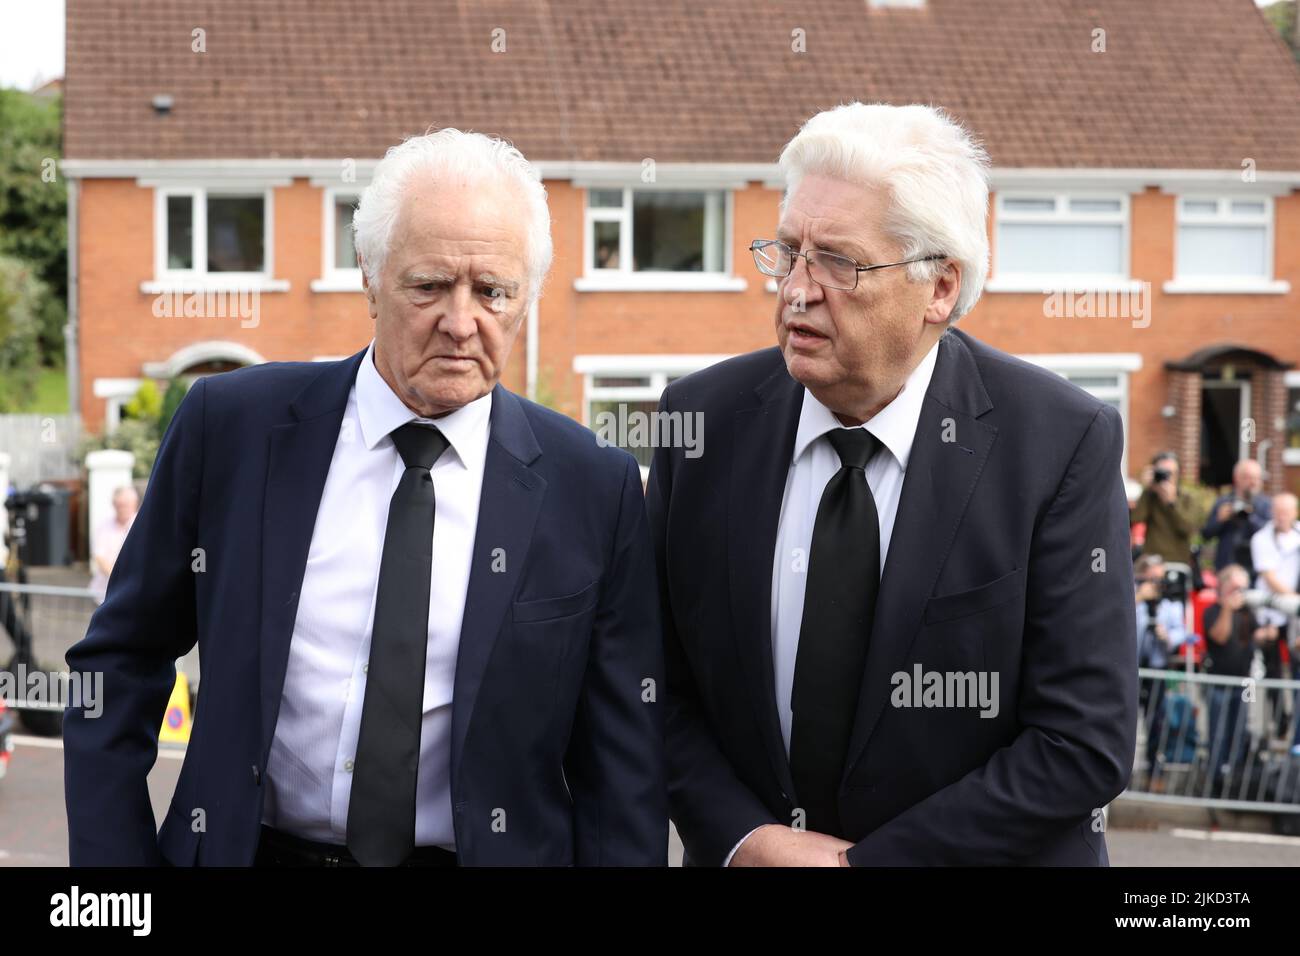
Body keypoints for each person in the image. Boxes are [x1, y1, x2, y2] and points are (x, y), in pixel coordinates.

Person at [63, 130, 666, 867]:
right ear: (369, 278)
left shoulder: (593, 486)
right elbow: (118, 662)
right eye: (428, 285)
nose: (460, 320)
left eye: (492, 291)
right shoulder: (232, 429)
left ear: (527, 298)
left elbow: (622, 767)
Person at [647, 102, 1136, 866]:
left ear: (939, 288)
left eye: (838, 262)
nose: (797, 291)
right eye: (786, 252)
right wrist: (745, 839)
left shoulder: (1059, 442)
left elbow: (1081, 741)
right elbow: (655, 686)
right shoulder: (701, 423)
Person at [1202, 565, 1271, 791]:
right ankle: (1215, 783)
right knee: (1218, 735)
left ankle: (1234, 779)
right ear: (1224, 586)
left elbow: (1256, 636)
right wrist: (1227, 609)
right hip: (1219, 683)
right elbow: (1219, 637)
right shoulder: (1213, 611)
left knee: (1240, 732)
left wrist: (1267, 633)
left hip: (1245, 683)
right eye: (1236, 587)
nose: (1240, 592)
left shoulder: (1246, 612)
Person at [1250, 492, 1300, 738]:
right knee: (1273, 672)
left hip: (1295, 617)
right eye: (1278, 511)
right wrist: (1295, 600)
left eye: (1287, 512)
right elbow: (1269, 577)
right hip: (1271, 612)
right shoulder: (1261, 538)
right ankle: (1279, 723)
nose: (1282, 517)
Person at [1133, 554, 1188, 777]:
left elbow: (1181, 632)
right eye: (1152, 579)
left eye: (1160, 578)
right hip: (1132, 668)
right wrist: (1138, 598)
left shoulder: (1170, 603)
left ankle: (1154, 769)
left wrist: (1168, 636)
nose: (1157, 584)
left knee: (1156, 719)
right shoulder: (1132, 598)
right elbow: (1119, 622)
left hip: (1156, 666)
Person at [1130, 451, 1199, 568]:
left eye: (1171, 473)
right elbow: (1136, 518)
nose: (1167, 478)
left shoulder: (1187, 498)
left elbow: (1187, 529)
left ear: (1178, 475)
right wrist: (1146, 489)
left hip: (1177, 562)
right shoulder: (1150, 496)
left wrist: (1171, 503)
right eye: (1162, 473)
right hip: (1152, 563)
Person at [1201, 459, 1271, 575]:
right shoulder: (1224, 502)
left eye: (1257, 478)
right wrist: (1219, 519)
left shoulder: (1266, 504)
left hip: (1256, 568)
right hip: (1227, 566)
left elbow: (1270, 534)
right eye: (1248, 477)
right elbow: (1206, 534)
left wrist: (1250, 516)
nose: (1253, 482)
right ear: (1237, 478)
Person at [89, 484, 139, 605]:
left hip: (134, 594)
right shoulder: (104, 525)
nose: (122, 508)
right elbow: (99, 557)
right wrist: (119, 579)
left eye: (126, 505)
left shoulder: (142, 526)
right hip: (103, 594)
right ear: (114, 504)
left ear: (135, 504)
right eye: (119, 505)